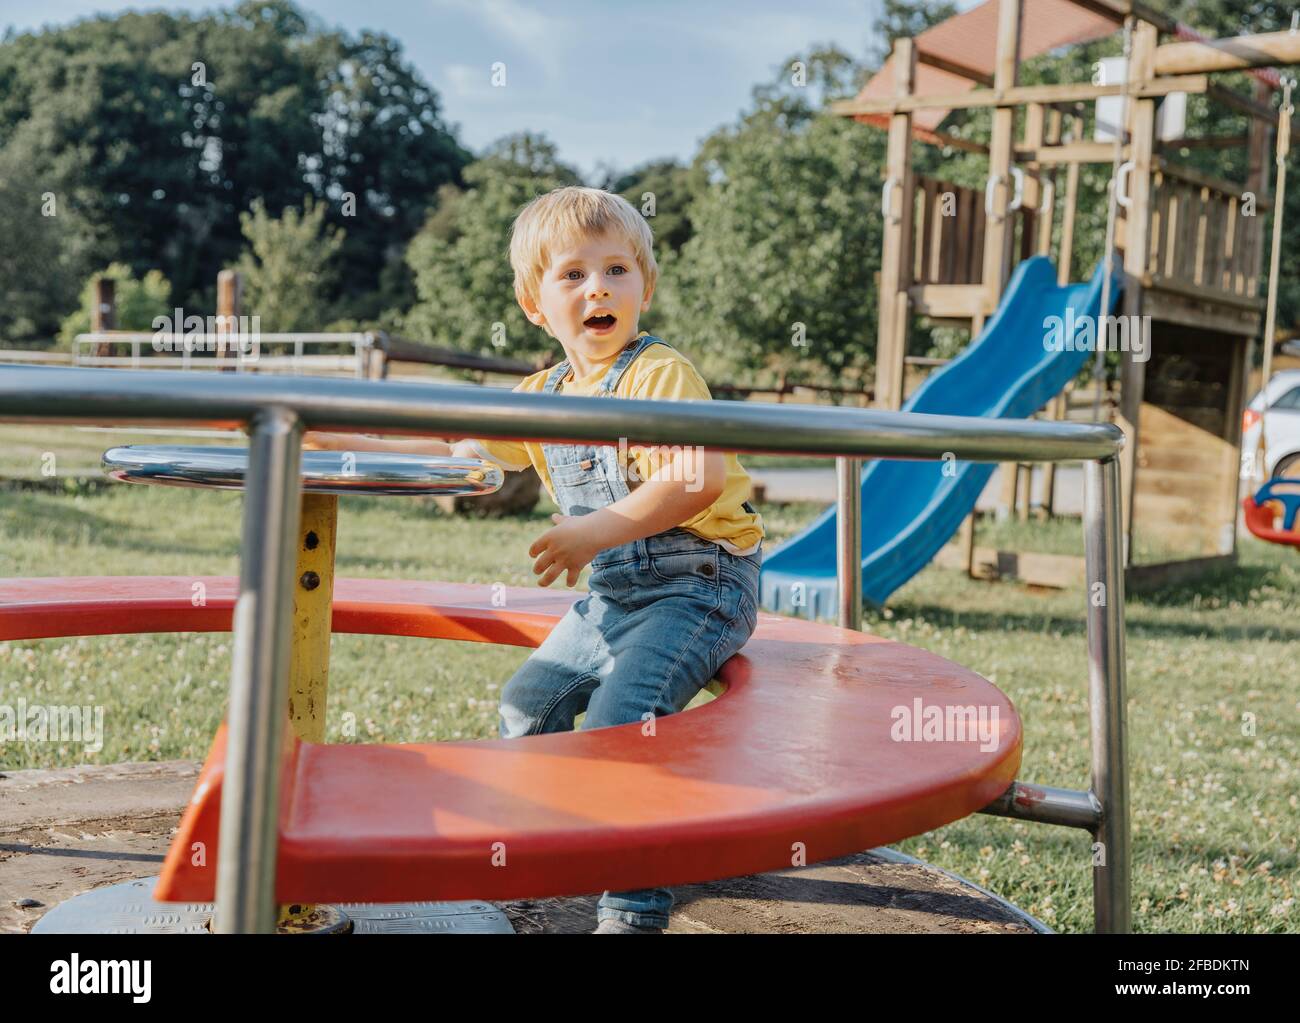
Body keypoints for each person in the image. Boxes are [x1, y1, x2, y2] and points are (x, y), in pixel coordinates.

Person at [304, 185, 764, 933]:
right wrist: (347, 442)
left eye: (618, 270)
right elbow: (456, 446)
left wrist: (594, 532)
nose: (599, 289)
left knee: (623, 721)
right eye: (574, 275)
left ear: (645, 286)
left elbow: (696, 476)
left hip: (700, 586)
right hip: (615, 597)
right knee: (528, 705)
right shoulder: (541, 393)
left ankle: (634, 908)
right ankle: (563, 843)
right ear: (533, 302)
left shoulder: (658, 374)